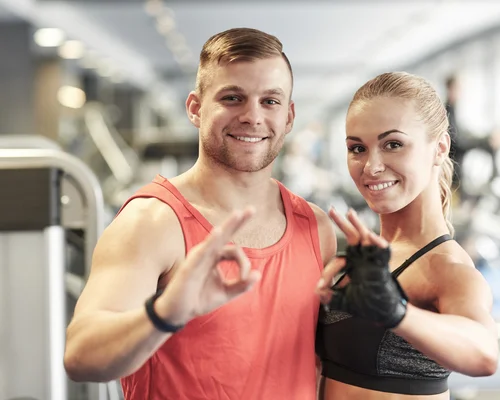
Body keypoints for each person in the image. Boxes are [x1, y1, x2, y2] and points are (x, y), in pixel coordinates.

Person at [63, 27, 337, 400]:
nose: (252, 116)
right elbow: (82, 357)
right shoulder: (152, 222)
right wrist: (165, 315)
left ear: (288, 116)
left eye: (270, 101)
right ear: (195, 108)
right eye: (232, 97)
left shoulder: (315, 227)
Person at [315, 71, 498, 400]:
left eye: (393, 144)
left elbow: (484, 353)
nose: (371, 166)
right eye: (357, 148)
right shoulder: (367, 258)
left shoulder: (444, 265)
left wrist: (397, 311)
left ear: (439, 148)